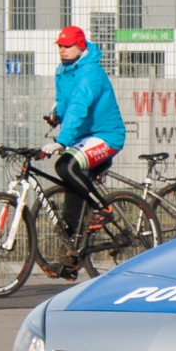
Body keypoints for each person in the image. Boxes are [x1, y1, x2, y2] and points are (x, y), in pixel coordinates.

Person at [42, 25, 126, 278]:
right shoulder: (65, 71)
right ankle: (70, 265)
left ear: (81, 46)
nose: (62, 51)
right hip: (83, 137)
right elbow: (66, 103)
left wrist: (62, 140)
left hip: (105, 136)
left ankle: (103, 209)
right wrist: (56, 116)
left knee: (65, 167)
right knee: (71, 197)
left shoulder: (90, 72)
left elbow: (80, 105)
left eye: (67, 46)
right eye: (60, 46)